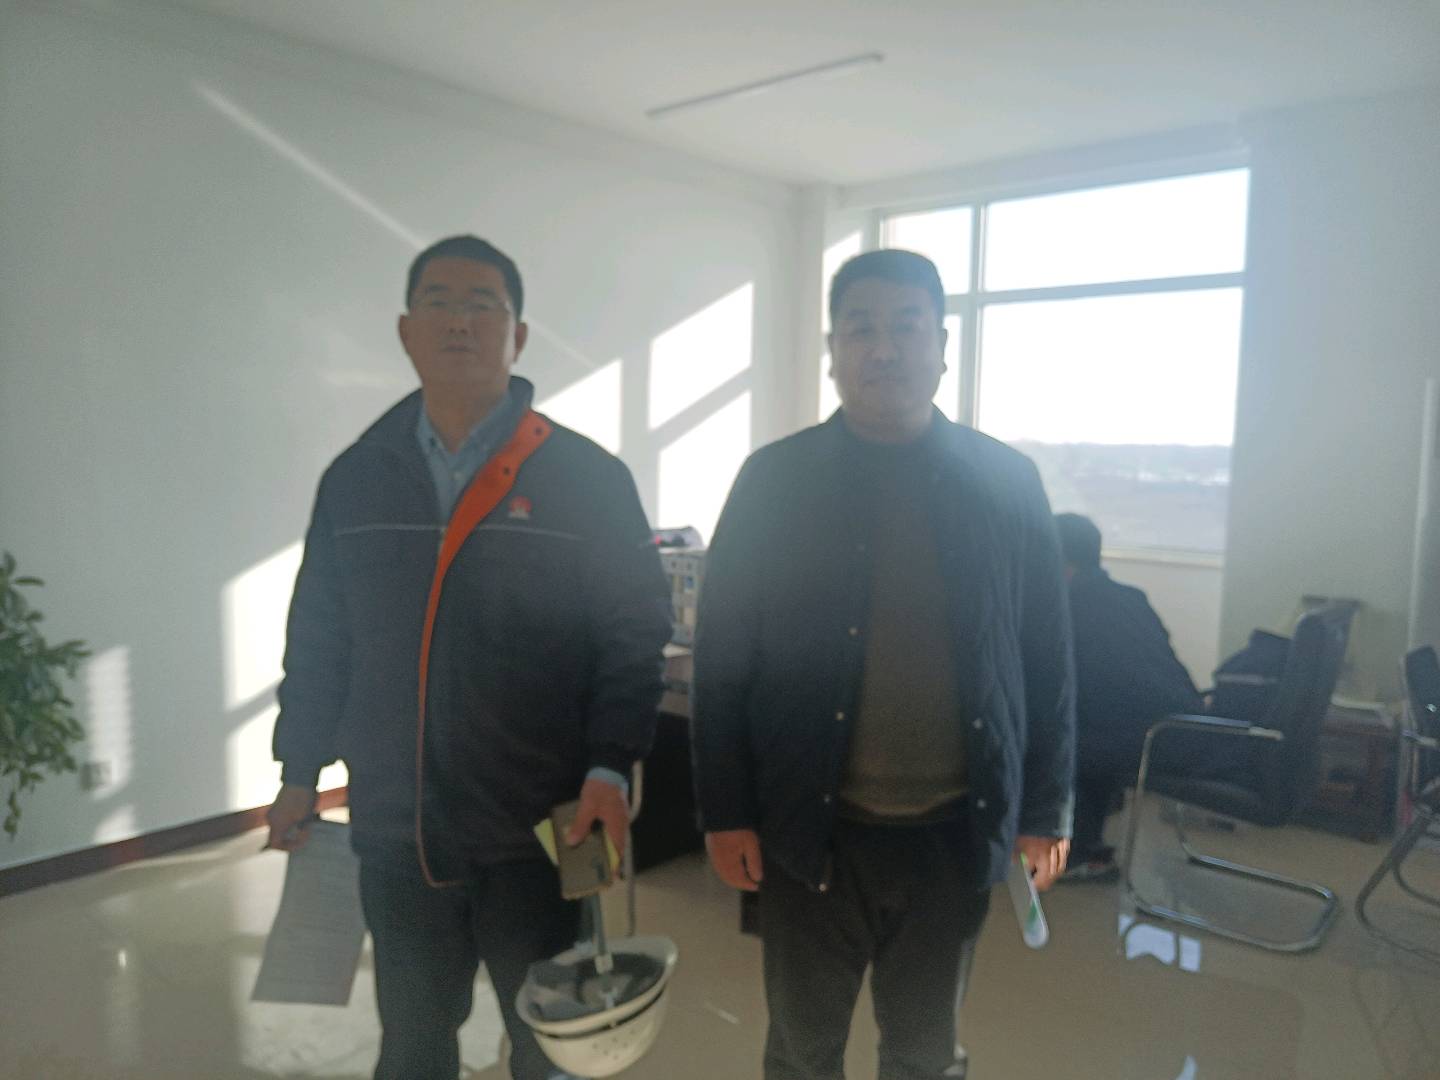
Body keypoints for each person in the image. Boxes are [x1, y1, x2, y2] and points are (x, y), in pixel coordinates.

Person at [265, 235, 672, 1080]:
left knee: (551, 1043)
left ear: (517, 336)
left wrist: (610, 762)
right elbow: (320, 635)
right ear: (407, 331)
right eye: (440, 303)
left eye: (484, 305)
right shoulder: (357, 478)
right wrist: (299, 769)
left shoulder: (585, 478)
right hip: (397, 823)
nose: (461, 322)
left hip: (541, 826)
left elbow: (632, 632)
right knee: (413, 1039)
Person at [691, 248, 1075, 1080]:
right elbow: (721, 663)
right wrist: (724, 812)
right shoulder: (773, 481)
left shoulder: (1007, 483)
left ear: (943, 346)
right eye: (860, 329)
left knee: (925, 1052)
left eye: (907, 327)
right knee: (802, 1048)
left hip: (954, 833)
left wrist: (1046, 807)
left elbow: (1047, 659)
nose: (884, 348)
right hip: (809, 829)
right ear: (833, 350)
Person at [1054, 512, 1204, 882]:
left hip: (1156, 741)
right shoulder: (1130, 597)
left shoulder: (1071, 608)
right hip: (1188, 728)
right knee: (1079, 730)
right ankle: (1085, 842)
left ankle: (1078, 853)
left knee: (1049, 743)